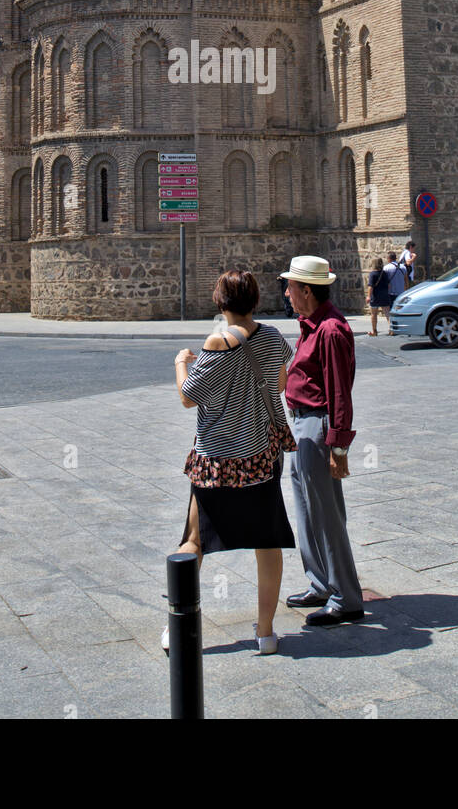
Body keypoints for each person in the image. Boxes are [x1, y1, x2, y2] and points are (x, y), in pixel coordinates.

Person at [169, 270, 296, 655]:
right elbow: (279, 386)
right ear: (255, 301)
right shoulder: (274, 338)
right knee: (267, 541)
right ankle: (267, 633)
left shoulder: (217, 341)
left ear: (220, 302)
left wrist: (181, 362)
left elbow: (189, 397)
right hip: (261, 456)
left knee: (194, 541)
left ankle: (178, 628)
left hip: (217, 460)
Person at [281, 255, 364, 626]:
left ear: (308, 291)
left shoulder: (330, 330)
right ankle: (319, 583)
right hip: (301, 427)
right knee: (307, 510)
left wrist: (339, 446)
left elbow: (339, 392)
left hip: (317, 427)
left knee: (327, 515)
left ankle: (345, 596)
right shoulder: (310, 325)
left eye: (291, 287)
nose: (287, 293)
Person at [366, 256, 390, 336]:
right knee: (387, 314)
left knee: (373, 314)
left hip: (375, 296)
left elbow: (370, 286)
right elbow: (389, 285)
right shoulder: (385, 273)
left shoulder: (373, 274)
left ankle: (374, 331)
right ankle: (391, 330)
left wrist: (368, 296)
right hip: (384, 295)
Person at [383, 251, 408, 320]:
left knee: (391, 312)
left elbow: (385, 281)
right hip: (401, 293)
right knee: (400, 311)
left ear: (389, 258)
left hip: (390, 293)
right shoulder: (403, 267)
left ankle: (392, 327)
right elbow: (406, 280)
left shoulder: (386, 268)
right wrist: (406, 290)